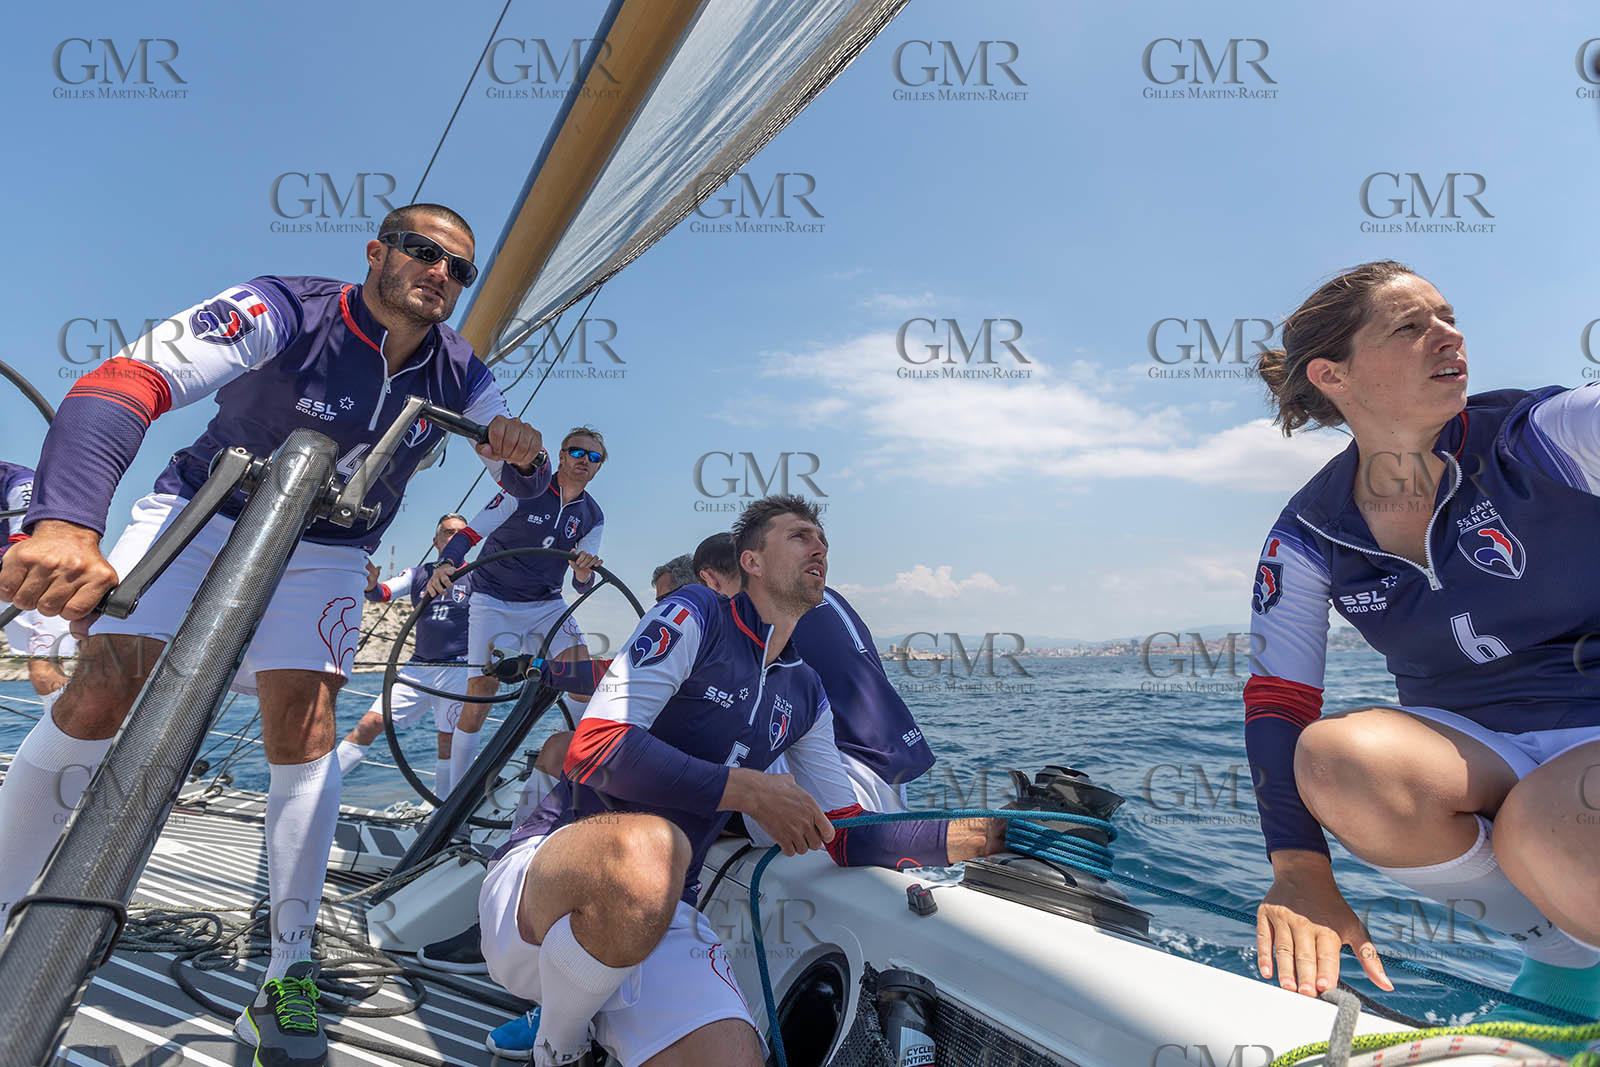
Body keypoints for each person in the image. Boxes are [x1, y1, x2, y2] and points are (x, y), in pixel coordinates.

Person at [0, 203, 551, 1066]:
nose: (439, 272)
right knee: (102, 690)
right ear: (376, 252)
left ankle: (288, 970)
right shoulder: (284, 307)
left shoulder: (460, 372)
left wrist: (524, 453)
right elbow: (125, 381)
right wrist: (68, 520)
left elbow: (524, 482)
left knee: (306, 726)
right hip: (206, 506)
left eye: (458, 268)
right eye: (421, 250)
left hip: (329, 546)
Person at [476, 495, 1001, 1066]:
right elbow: (595, 749)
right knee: (651, 846)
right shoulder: (696, 613)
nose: (819, 546)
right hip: (545, 882)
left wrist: (984, 835)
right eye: (799, 536)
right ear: (750, 561)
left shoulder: (806, 693)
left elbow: (846, 834)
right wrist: (747, 790)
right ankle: (559, 1045)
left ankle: (590, 1017)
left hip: (666, 912)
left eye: (822, 540)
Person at [1245, 261, 1600, 1021]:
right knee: (1337, 759)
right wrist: (1301, 868)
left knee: (1548, 824)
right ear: (1333, 375)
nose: (1450, 336)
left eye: (1449, 317)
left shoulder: (1548, 436)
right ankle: (1569, 962)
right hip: (1476, 748)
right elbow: (1279, 699)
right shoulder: (1309, 530)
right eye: (1410, 326)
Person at [692, 531, 935, 813]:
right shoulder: (821, 594)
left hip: (840, 783)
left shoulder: (760, 608)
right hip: (890, 776)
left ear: (709, 580)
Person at [427, 427, 606, 792]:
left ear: (599, 466)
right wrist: (446, 564)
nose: (584, 460)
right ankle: (455, 798)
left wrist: (583, 572)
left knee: (584, 680)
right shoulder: (525, 490)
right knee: (482, 692)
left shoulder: (593, 516)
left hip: (546, 603)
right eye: (577, 452)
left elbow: (582, 585)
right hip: (493, 598)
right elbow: (469, 535)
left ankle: (562, 769)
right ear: (561, 455)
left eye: (593, 457)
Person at [335, 514, 474, 800]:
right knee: (370, 724)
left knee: (447, 741)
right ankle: (315, 791)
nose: (454, 538)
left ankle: (442, 810)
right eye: (448, 533)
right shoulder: (418, 574)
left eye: (460, 534)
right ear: (436, 541)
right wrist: (370, 585)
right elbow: (382, 593)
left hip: (458, 669)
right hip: (418, 668)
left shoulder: (478, 575)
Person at [0, 461, 76, 714]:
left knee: (44, 669)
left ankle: (71, 734)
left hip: (40, 577)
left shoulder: (18, 480)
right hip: (8, 585)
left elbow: (27, 543)